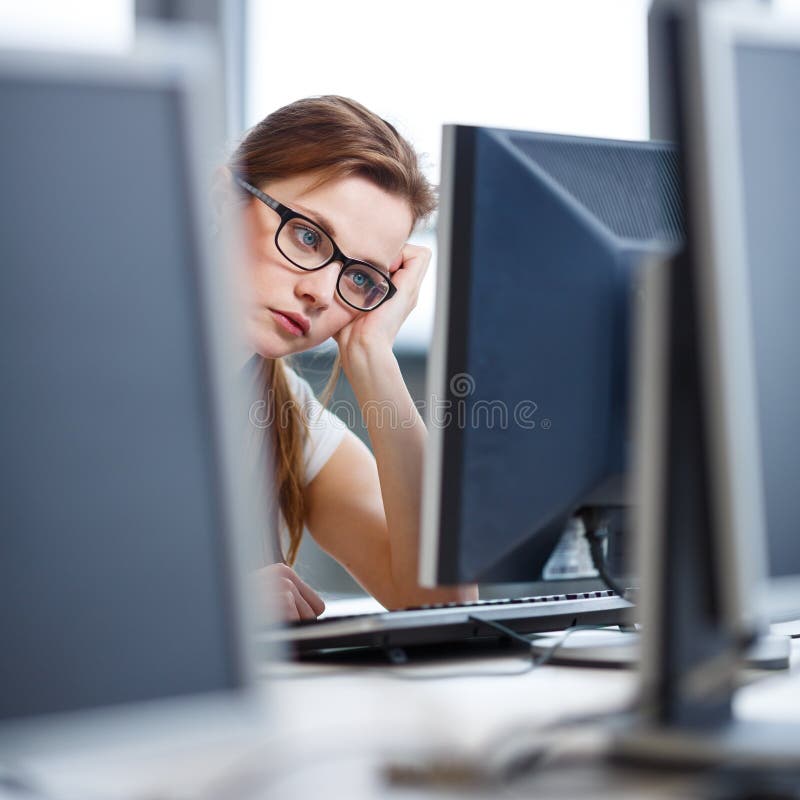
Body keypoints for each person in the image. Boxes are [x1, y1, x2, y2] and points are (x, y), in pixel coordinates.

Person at [219, 96, 476, 621]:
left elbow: (442, 606)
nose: (320, 293)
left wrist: (372, 354)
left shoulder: (283, 409)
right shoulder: (64, 358)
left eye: (360, 277)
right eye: (308, 236)